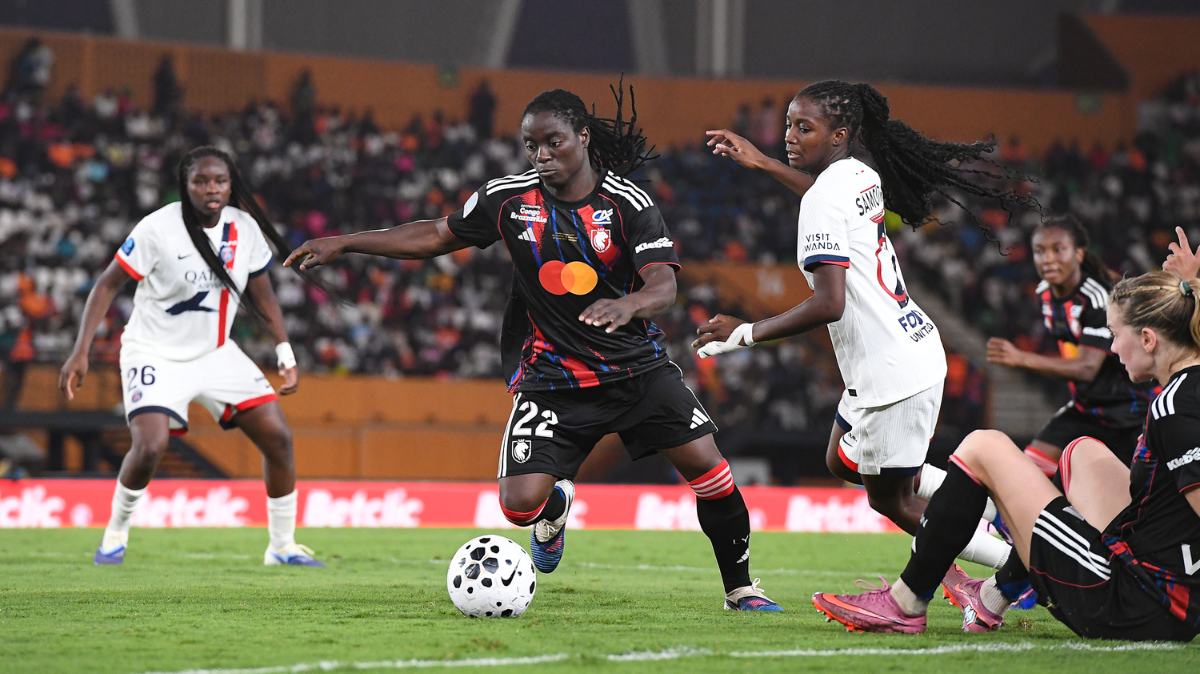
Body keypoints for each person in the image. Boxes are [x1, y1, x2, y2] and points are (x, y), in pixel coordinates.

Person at [285, 86, 783, 611]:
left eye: (553, 142)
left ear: (583, 137)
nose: (542, 155)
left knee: (711, 471)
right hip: (553, 378)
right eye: (531, 146)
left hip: (636, 371)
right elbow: (436, 234)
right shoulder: (507, 199)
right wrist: (345, 242)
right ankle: (553, 508)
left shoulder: (627, 202)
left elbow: (663, 285)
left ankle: (741, 589)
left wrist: (630, 305)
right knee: (519, 508)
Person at [695, 80, 1039, 571]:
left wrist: (746, 333)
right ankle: (993, 509)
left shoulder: (824, 198)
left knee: (892, 500)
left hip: (890, 372)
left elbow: (829, 304)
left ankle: (1019, 566)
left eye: (804, 128)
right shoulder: (859, 173)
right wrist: (764, 163)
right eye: (789, 125)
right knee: (842, 459)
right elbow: (823, 196)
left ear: (838, 135)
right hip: (901, 351)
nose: (789, 136)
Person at [813, 270, 1200, 642]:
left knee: (984, 447)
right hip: (1167, 597)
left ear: (1149, 339)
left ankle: (905, 603)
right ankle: (990, 598)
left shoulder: (1175, 407)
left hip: (1136, 604)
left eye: (1116, 335)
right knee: (1083, 456)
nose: (1113, 348)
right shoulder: (1187, 387)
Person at [60, 147, 324, 568]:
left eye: (219, 181)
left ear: (230, 184)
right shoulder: (157, 229)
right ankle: (115, 535)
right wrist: (81, 351)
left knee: (278, 438)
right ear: (186, 186)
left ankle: (282, 546)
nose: (211, 189)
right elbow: (106, 286)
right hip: (154, 353)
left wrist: (284, 351)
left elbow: (263, 295)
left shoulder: (245, 229)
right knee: (150, 446)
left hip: (216, 353)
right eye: (201, 182)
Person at [987, 215, 1157, 472]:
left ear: (1078, 254)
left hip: (1127, 412)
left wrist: (1021, 358)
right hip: (1085, 407)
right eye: (1039, 251)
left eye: (1058, 250)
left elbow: (1088, 367)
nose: (1048, 259)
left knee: (1125, 493)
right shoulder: (1045, 292)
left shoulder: (1098, 297)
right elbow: (1073, 352)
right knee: (1027, 469)